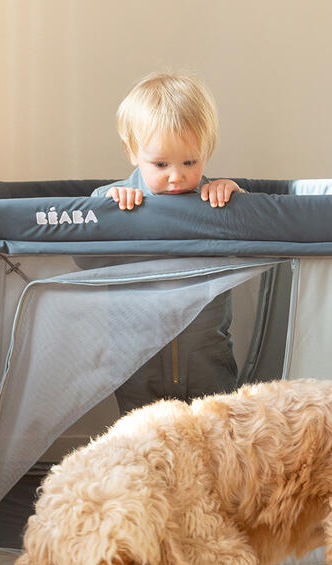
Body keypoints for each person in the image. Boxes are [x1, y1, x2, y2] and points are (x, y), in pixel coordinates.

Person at [92, 72, 245, 414]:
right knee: (142, 441)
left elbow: (250, 247)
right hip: (137, 360)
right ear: (133, 153)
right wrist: (107, 210)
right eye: (161, 164)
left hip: (207, 357)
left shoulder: (214, 202)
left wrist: (236, 197)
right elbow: (86, 263)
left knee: (217, 435)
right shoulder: (115, 202)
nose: (176, 175)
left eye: (190, 162)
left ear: (206, 151)